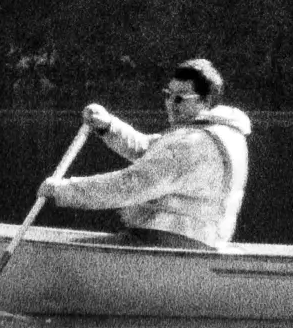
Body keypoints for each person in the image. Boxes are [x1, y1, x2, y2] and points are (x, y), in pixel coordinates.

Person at [45, 56, 252, 248]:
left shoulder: (193, 143)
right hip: (200, 242)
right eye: (168, 95)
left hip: (168, 242)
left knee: (71, 250)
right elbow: (149, 150)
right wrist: (108, 126)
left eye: (180, 98)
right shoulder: (220, 133)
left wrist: (63, 190)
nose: (170, 104)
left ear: (205, 101)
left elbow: (130, 184)